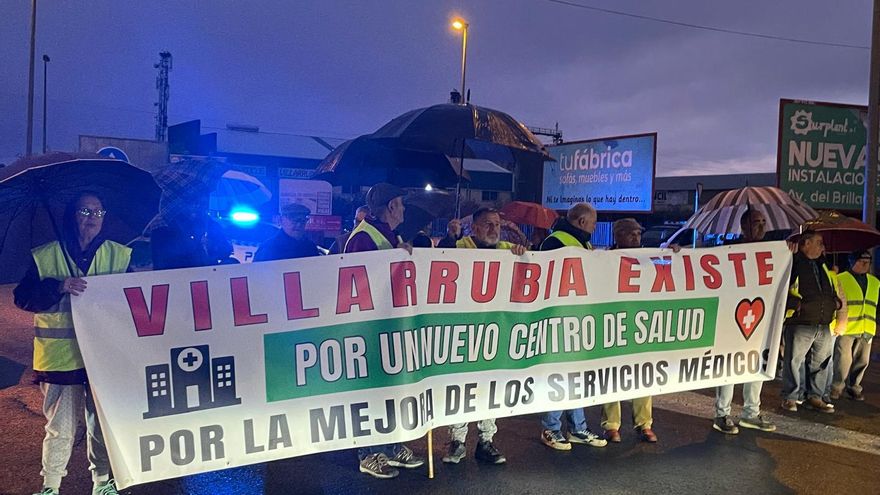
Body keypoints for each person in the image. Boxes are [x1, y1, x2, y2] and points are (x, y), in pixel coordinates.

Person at [14, 192, 131, 495]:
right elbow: (23, 298)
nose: (92, 218)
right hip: (60, 359)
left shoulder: (119, 255)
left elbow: (133, 300)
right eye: (85, 211)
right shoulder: (47, 255)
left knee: (101, 426)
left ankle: (102, 484)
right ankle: (50, 486)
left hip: (102, 358)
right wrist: (58, 286)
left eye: (98, 212)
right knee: (60, 427)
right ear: (71, 215)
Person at [344, 183, 424, 479]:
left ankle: (389, 445)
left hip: (388, 325)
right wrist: (395, 258)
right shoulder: (363, 237)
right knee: (370, 392)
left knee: (389, 390)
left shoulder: (388, 234)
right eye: (401, 204)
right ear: (391, 206)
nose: (404, 210)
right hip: (369, 328)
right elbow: (358, 281)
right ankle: (367, 453)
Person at [438, 208, 524, 465]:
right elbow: (437, 261)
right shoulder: (460, 247)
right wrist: (449, 238)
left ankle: (486, 441)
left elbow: (532, 265)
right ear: (474, 228)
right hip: (464, 332)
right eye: (487, 224)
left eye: (497, 224)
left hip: (495, 332)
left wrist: (523, 253)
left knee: (491, 388)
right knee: (461, 388)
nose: (493, 229)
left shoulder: (507, 250)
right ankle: (457, 441)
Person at [533, 203, 609, 450]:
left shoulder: (581, 242)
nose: (595, 227)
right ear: (582, 222)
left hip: (577, 318)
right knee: (557, 375)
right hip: (559, 318)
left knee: (576, 375)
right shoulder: (556, 241)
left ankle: (577, 428)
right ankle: (551, 428)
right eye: (594, 223)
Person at [713, 209, 776, 434]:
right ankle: (722, 414)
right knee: (729, 366)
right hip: (732, 317)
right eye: (756, 222)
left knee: (756, 364)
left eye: (764, 222)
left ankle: (751, 413)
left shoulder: (772, 251)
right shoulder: (730, 250)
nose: (761, 226)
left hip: (759, 318)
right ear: (744, 226)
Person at [602, 218, 659, 443]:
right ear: (617, 235)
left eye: (638, 233)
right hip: (613, 322)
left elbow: (671, 268)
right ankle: (611, 425)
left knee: (643, 373)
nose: (636, 237)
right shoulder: (604, 259)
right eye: (630, 233)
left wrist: (675, 253)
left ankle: (644, 423)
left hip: (640, 323)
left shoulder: (648, 257)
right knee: (611, 374)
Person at [781, 230, 846, 414]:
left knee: (821, 363)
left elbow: (831, 288)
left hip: (823, 322)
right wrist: (796, 304)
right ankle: (790, 397)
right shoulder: (793, 263)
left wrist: (836, 303)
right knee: (794, 362)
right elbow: (781, 288)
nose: (822, 246)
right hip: (801, 322)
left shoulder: (822, 265)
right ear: (806, 244)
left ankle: (815, 397)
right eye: (818, 242)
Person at [830, 249, 876, 401]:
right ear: (852, 262)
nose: (865, 265)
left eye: (868, 262)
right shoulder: (841, 279)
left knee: (862, 361)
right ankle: (836, 387)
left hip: (867, 328)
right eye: (862, 262)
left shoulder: (875, 282)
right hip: (847, 327)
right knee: (843, 361)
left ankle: (854, 387)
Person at [253, 203, 322, 261]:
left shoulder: (310, 247)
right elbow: (258, 271)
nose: (299, 224)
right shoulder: (269, 248)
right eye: (293, 220)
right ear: (281, 220)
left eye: (302, 220)